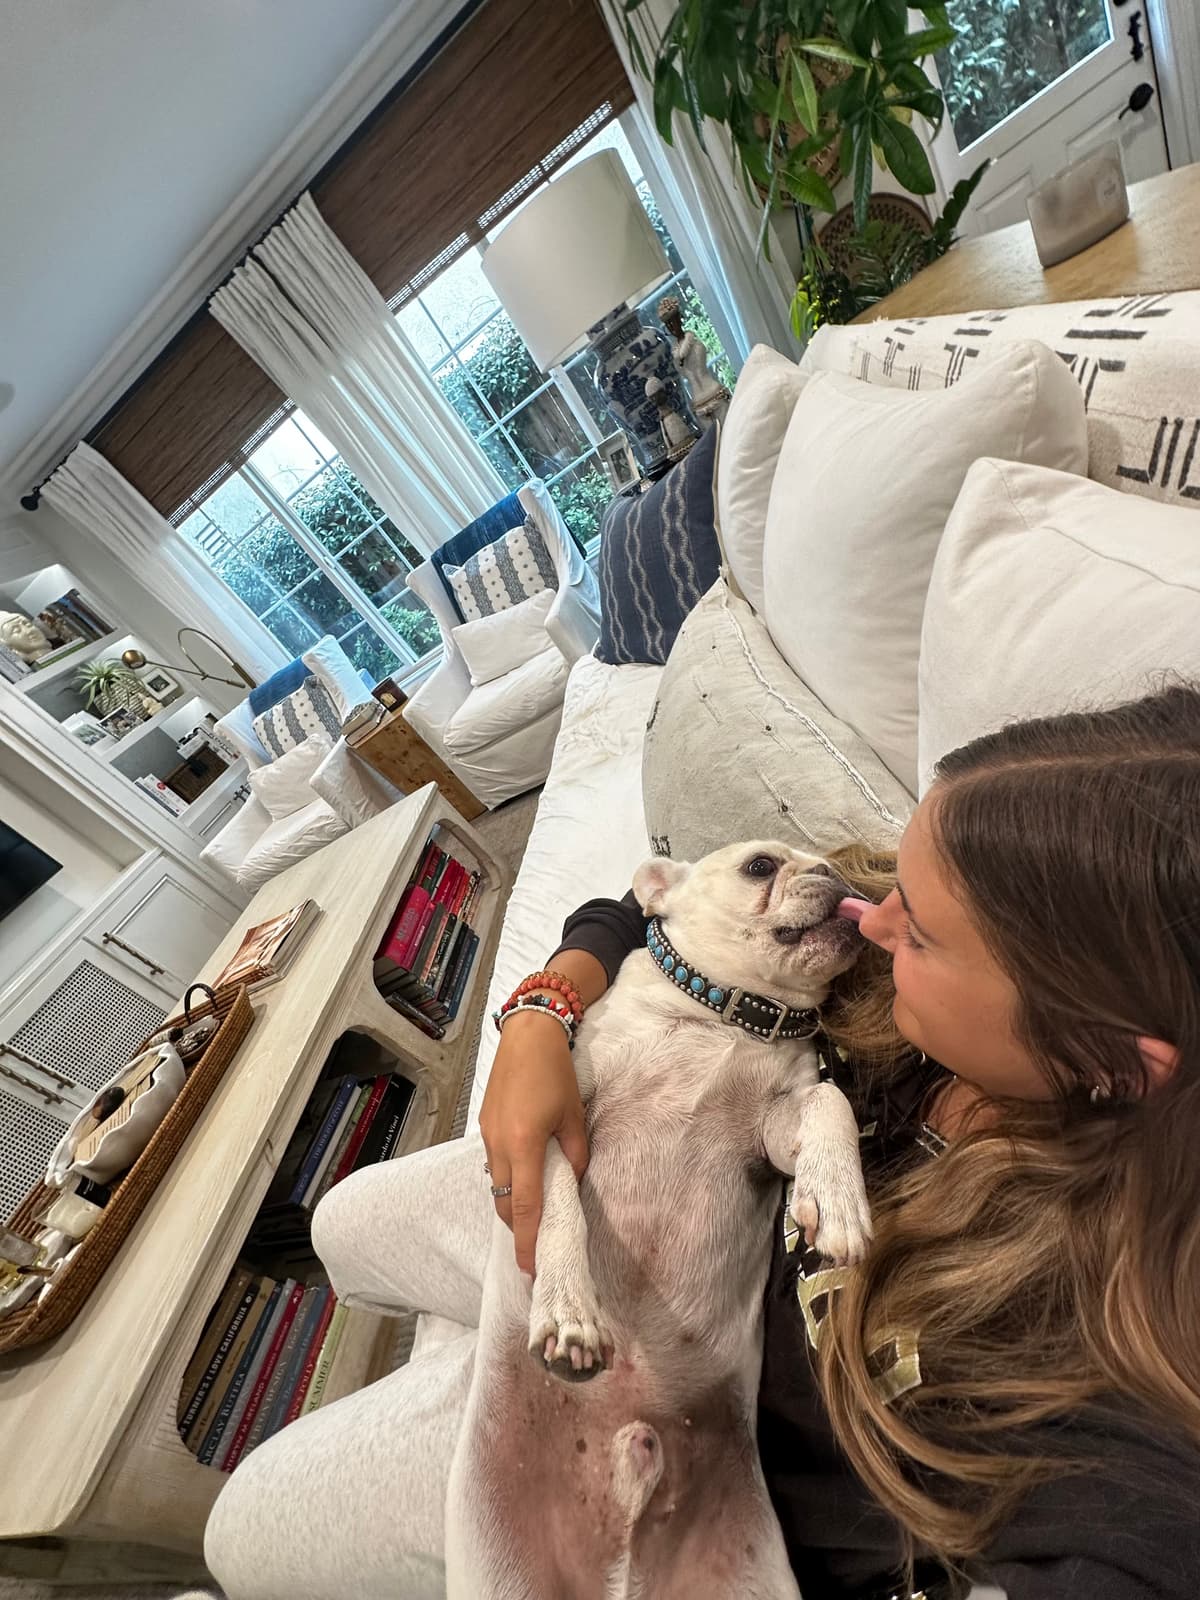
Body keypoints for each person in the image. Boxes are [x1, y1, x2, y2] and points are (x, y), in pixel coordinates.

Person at [204, 685, 1200, 1600]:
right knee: (339, 1224)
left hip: (668, 1428)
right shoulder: (869, 932)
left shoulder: (1104, 1346)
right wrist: (544, 1013)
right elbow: (641, 911)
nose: (876, 917)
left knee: (244, 1535)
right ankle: (463, 1339)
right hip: (579, 1222)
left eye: (925, 934)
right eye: (900, 878)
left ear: (1106, 1059)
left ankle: (453, 1363)